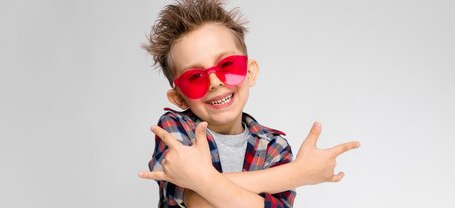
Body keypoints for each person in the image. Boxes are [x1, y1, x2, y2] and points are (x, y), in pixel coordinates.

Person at [138, 0, 361, 207]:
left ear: (250, 72)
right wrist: (298, 173)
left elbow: (205, 193)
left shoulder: (273, 146)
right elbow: (197, 202)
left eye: (227, 66)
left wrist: (202, 179)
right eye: (195, 77)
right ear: (178, 98)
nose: (215, 82)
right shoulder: (174, 128)